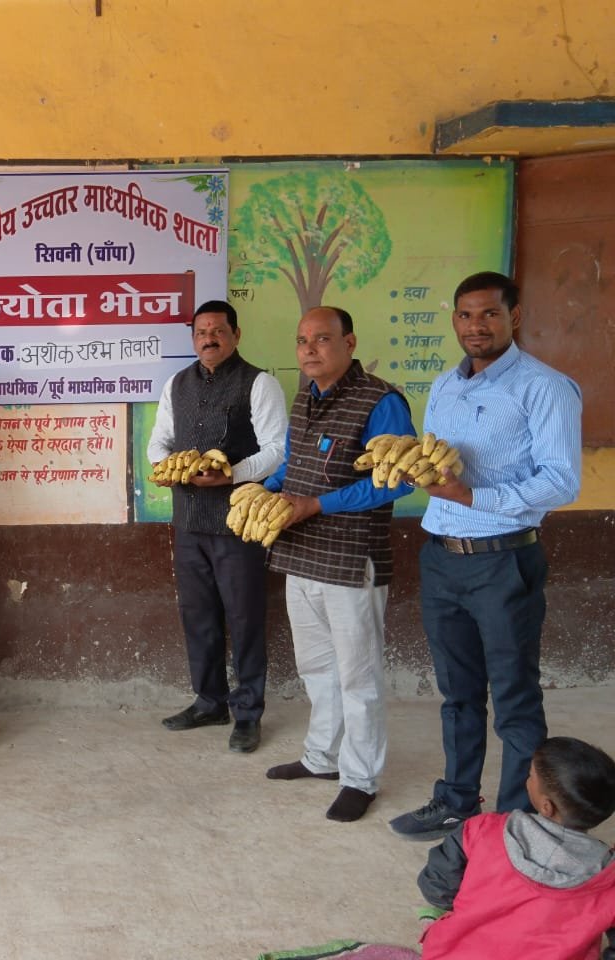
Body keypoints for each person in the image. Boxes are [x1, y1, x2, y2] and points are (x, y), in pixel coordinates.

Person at [390, 272, 582, 841]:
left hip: (503, 561)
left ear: (514, 317)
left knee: (515, 697)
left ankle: (512, 821)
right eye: (466, 315)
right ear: (454, 320)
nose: (477, 326)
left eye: (490, 315)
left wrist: (473, 495)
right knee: (458, 694)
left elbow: (561, 481)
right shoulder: (444, 387)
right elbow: (436, 467)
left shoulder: (546, 388)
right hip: (442, 555)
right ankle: (456, 800)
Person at [263, 306, 416, 823]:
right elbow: (293, 462)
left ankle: (360, 778)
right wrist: (263, 490)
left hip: (352, 560)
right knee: (317, 669)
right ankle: (321, 758)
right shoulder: (306, 394)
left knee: (358, 677)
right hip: (300, 554)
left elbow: (392, 480)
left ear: (350, 342)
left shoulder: (381, 400)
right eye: (302, 339)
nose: (309, 349)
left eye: (322, 339)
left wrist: (316, 505)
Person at [148, 299, 287, 753]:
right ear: (193, 338)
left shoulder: (259, 384)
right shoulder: (177, 385)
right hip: (188, 520)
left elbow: (276, 449)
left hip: (239, 522)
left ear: (236, 335)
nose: (209, 338)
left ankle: (247, 711)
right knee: (198, 615)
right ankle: (210, 700)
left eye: (218, 331)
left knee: (244, 617)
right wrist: (172, 468)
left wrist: (233, 474)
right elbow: (158, 444)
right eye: (201, 332)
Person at [415, 736, 615, 959]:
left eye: (530, 776)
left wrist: (475, 904)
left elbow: (435, 886)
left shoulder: (483, 829)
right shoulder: (609, 876)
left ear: (546, 806)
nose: (526, 779)